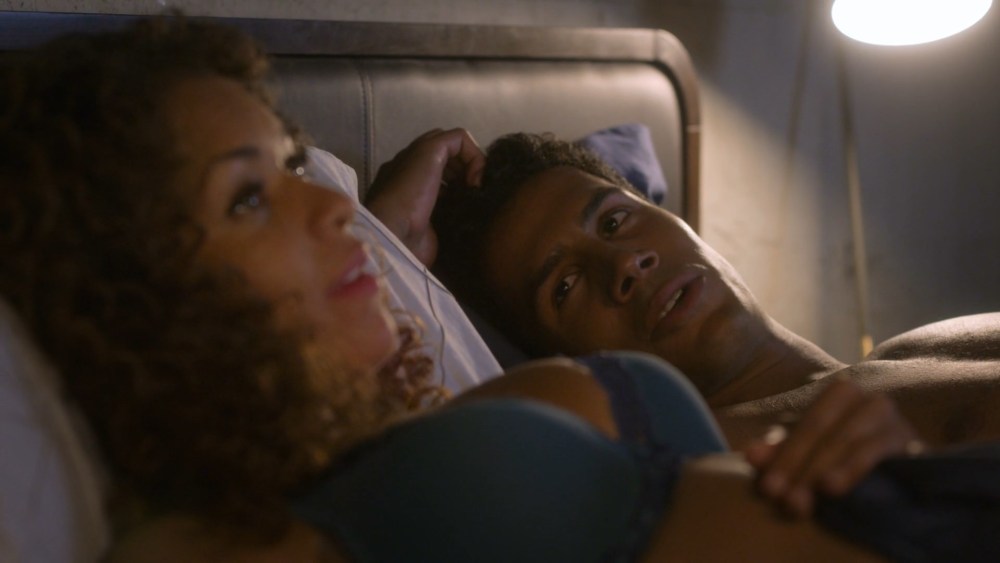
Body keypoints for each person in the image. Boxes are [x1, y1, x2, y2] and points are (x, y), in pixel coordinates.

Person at [1, 15, 993, 563]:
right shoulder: (215, 529)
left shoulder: (447, 422)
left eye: (297, 163)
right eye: (250, 197)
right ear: (140, 299)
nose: (332, 210)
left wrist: (870, 469)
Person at [432, 132, 1000, 449]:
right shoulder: (723, 465)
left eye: (615, 221)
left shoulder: (941, 342)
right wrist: (388, 232)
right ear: (559, 361)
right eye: (566, 286)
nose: (625, 264)